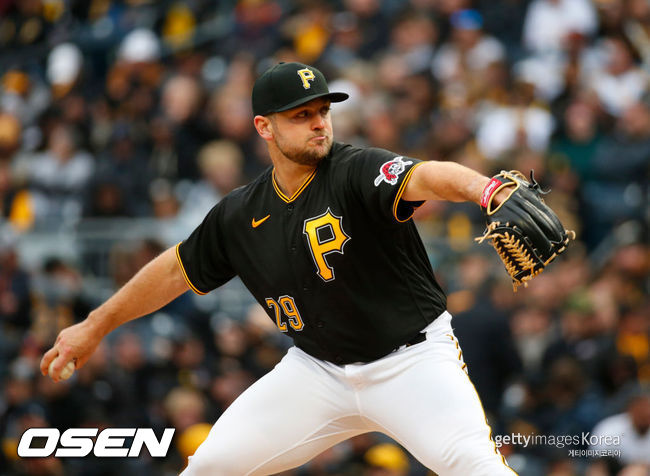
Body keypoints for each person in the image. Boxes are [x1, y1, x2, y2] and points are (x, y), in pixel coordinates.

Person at [42, 62, 517, 475]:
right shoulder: (240, 213)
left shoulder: (355, 169)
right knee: (209, 466)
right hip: (317, 372)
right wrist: (95, 325)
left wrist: (486, 190)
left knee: (476, 467)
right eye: (301, 115)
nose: (319, 124)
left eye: (323, 111)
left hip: (410, 363)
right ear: (264, 127)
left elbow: (427, 175)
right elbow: (173, 271)